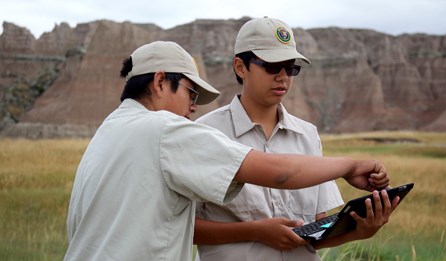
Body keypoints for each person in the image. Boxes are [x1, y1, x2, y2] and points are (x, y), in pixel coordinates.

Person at [64, 41, 395, 261]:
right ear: (161, 81)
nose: (192, 109)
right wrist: (351, 165)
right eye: (191, 94)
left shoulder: (106, 133)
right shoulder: (166, 129)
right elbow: (281, 173)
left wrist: (357, 229)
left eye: (290, 67)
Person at [194, 17, 397, 261]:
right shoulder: (204, 132)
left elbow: (316, 231)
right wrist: (254, 232)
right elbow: (186, 227)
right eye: (272, 66)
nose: (283, 77)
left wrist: (362, 230)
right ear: (240, 67)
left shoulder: (308, 135)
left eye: (290, 68)